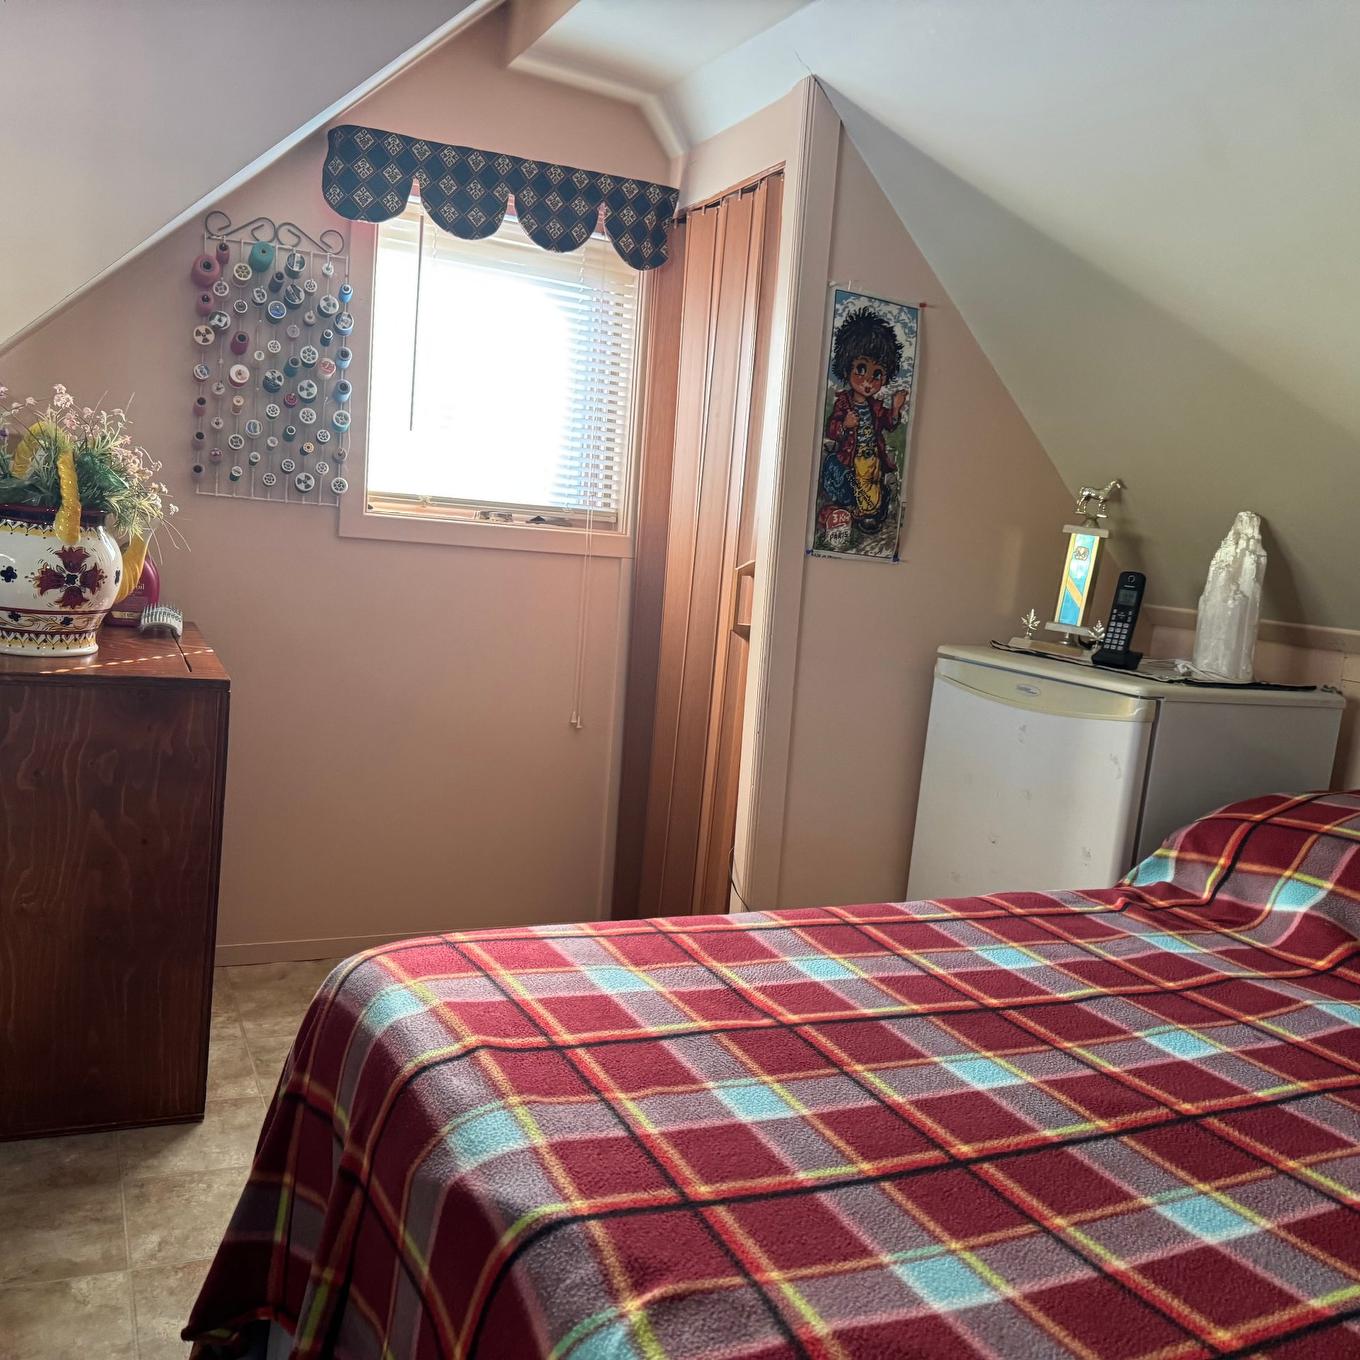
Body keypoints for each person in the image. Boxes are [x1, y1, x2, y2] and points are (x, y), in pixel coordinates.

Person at [820, 306, 907, 537]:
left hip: (871, 461)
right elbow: (832, 428)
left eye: (877, 374)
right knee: (846, 481)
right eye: (861, 369)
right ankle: (851, 510)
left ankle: (869, 514)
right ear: (847, 367)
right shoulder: (843, 403)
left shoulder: (876, 407)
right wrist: (845, 425)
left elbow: (889, 423)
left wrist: (896, 407)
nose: (868, 380)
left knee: (875, 491)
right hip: (850, 459)